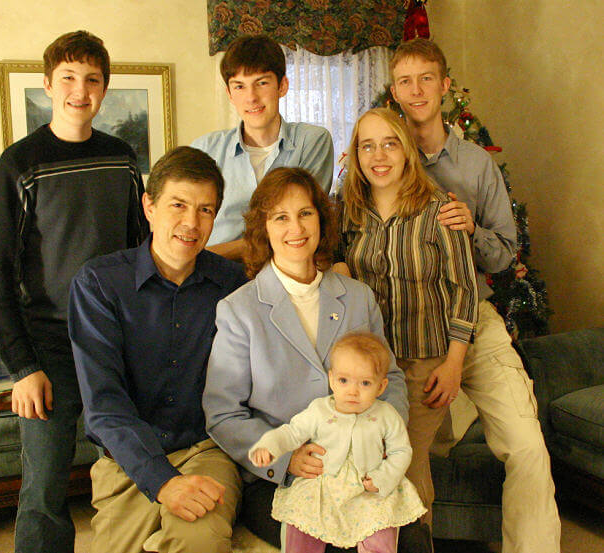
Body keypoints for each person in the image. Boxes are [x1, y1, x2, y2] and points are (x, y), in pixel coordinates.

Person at [389, 38, 561, 553]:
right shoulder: (379, 159)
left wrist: (473, 232)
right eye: (404, 80)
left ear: (444, 86)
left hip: (475, 320)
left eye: (426, 78)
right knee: (404, 455)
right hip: (410, 325)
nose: (416, 90)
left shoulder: (476, 166)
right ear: (393, 90)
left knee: (527, 446)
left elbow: (506, 253)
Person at [0, 30, 147, 553]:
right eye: (69, 79)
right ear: (50, 86)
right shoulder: (18, 164)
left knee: (128, 470)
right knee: (45, 488)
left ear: (105, 89)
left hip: (113, 339)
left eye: (93, 80)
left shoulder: (122, 159)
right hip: (48, 346)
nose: (81, 90)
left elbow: (139, 253)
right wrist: (21, 368)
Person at [202, 166, 408, 551]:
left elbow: (390, 379)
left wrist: (384, 442)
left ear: (321, 219)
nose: (295, 228)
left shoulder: (358, 297)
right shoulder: (238, 310)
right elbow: (223, 413)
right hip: (284, 475)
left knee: (407, 536)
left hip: (361, 465)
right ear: (263, 227)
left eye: (305, 213)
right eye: (281, 217)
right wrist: (285, 459)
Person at [68, 146, 247, 553]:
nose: (191, 222)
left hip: (206, 449)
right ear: (149, 206)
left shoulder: (232, 285)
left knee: (198, 541)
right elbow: (104, 403)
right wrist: (163, 481)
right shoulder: (99, 284)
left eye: (205, 210)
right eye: (178, 205)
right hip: (127, 459)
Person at [335, 107, 479, 549]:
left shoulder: (439, 209)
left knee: (405, 466)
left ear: (407, 150)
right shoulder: (349, 211)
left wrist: (454, 364)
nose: (378, 155)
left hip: (426, 360)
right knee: (365, 462)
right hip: (371, 365)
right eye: (367, 145)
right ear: (356, 155)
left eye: (389, 143)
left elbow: (464, 291)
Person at [249, 331, 425, 553]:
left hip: (367, 488)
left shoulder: (387, 415)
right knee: (301, 530)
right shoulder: (319, 410)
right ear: (331, 379)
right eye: (343, 380)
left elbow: (401, 451)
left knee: (380, 530)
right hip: (322, 486)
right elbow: (291, 433)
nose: (353, 391)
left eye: (365, 383)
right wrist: (270, 447)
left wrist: (384, 477)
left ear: (381, 386)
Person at [191, 34, 334, 261]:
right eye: (239, 86)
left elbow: (303, 226)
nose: (251, 98)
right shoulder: (204, 150)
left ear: (282, 86)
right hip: (216, 281)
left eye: (262, 83)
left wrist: (211, 254)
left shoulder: (312, 141)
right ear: (229, 93)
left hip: (287, 276)